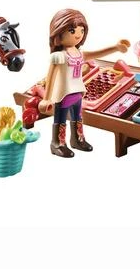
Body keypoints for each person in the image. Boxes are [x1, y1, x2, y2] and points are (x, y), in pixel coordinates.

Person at [39, 9, 130, 158]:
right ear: (58, 33)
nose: (78, 34)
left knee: (77, 118)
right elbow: (51, 77)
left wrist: (116, 47)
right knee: (60, 119)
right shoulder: (59, 56)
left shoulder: (79, 53)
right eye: (72, 30)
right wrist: (46, 98)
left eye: (81, 30)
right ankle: (57, 144)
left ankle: (78, 139)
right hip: (63, 94)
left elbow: (97, 53)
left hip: (77, 92)